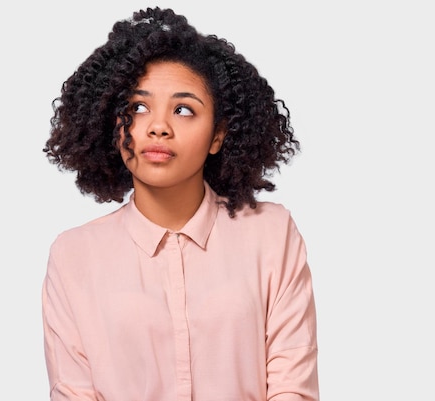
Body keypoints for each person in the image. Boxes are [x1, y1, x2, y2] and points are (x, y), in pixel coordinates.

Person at [41, 6, 319, 401]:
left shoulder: (272, 234)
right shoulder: (73, 256)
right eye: (137, 108)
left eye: (183, 109)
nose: (158, 126)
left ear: (219, 135)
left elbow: (294, 387)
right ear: (112, 123)